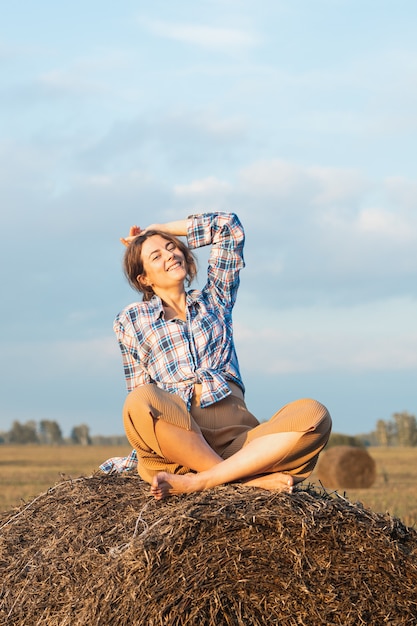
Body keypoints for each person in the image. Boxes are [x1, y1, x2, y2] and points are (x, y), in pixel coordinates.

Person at [113, 212, 331, 500]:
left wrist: (160, 228)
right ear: (144, 279)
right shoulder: (131, 319)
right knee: (140, 399)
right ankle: (243, 481)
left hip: (238, 442)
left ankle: (207, 480)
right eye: (156, 256)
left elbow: (228, 227)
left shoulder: (215, 299)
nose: (170, 254)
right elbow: (140, 395)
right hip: (179, 447)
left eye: (171, 247)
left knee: (315, 415)